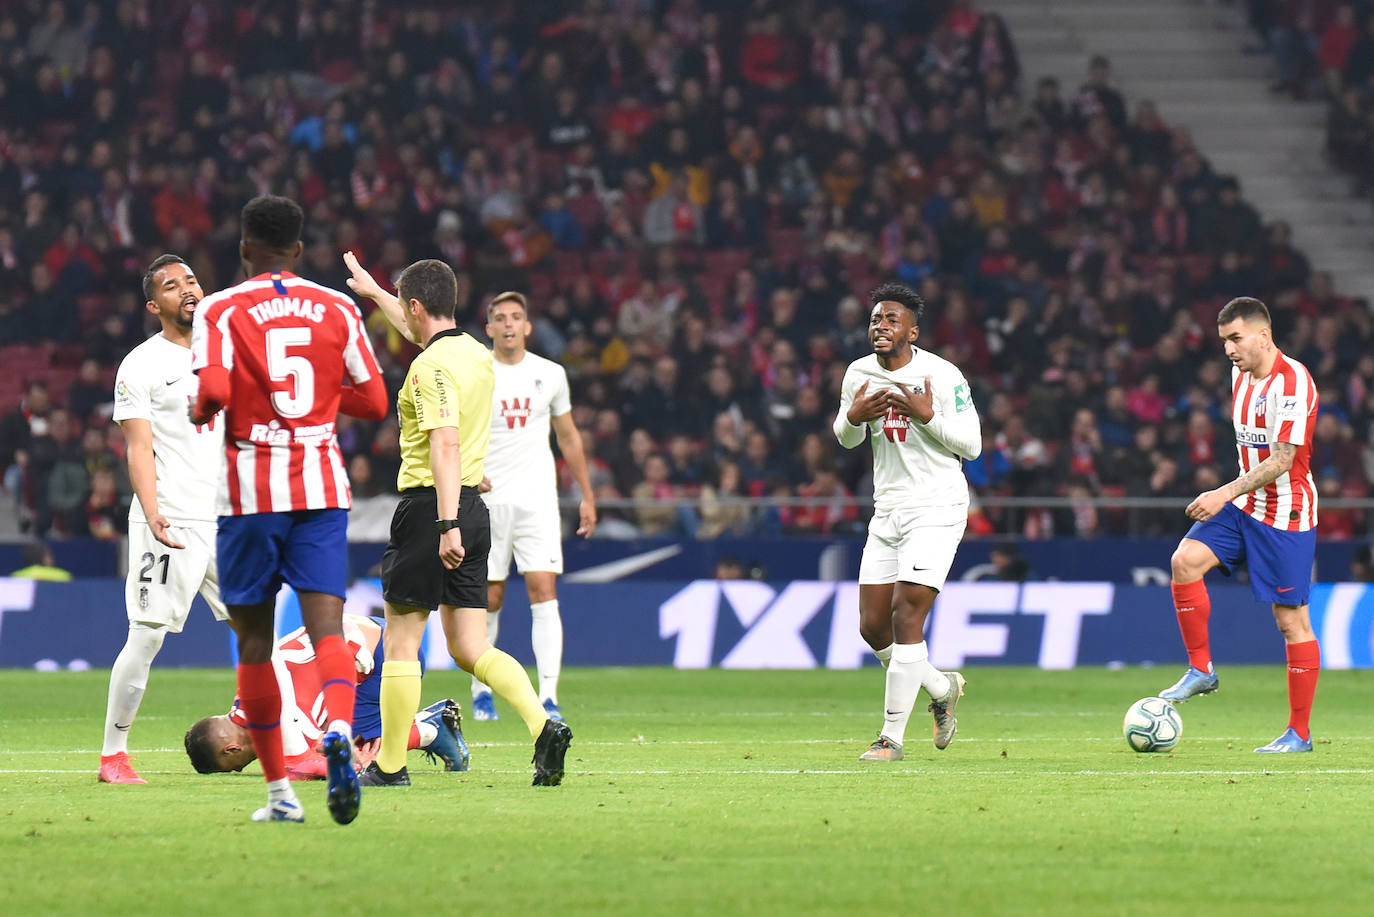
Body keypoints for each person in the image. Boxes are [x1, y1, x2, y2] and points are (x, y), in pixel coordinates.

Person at [190, 196, 390, 824]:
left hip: (251, 492)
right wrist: (321, 404)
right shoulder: (337, 306)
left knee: (253, 642)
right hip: (322, 488)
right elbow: (377, 400)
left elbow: (216, 391)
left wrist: (202, 411)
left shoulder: (219, 308)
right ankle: (336, 727)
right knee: (328, 629)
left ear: (245, 247)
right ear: (300, 250)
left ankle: (280, 794)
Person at [342, 251, 573, 788]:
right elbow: (421, 332)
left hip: (432, 510)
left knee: (401, 640)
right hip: (473, 504)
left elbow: (444, 442)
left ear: (416, 305)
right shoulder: (474, 354)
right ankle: (543, 724)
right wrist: (377, 293)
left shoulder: (429, 368)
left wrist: (445, 525)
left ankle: (392, 765)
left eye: (402, 305)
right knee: (472, 647)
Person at [1157, 296, 1322, 754]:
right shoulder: (1240, 375)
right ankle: (1201, 670)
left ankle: (1299, 734)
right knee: (1185, 561)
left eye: (1236, 339)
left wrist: (1221, 492)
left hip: (1285, 514)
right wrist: (1234, 494)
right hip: (1246, 504)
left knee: (1291, 622)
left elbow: (1284, 460)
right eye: (1224, 341)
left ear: (1263, 335)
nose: (1229, 350)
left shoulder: (1293, 383)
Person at [833, 282, 982, 762]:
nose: (881, 326)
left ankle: (890, 738)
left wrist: (926, 416)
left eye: (891, 320)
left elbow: (972, 446)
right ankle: (941, 688)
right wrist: (852, 418)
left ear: (912, 332)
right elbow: (846, 439)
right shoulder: (858, 374)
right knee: (872, 626)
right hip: (888, 509)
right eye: (876, 319)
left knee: (905, 616)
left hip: (937, 506)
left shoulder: (942, 375)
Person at [99, 254, 226, 786]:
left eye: (192, 279)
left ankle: (287, 741)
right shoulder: (140, 365)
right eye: (172, 287)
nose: (187, 290)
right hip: (170, 517)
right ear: (155, 306)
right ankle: (114, 754)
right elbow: (137, 448)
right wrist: (152, 513)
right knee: (148, 635)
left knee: (267, 629)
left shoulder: (226, 352)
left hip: (229, 519)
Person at [469, 291, 597, 723]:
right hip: (488, 500)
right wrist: (469, 471)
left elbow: (569, 436)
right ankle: (481, 691)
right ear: (489, 328)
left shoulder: (551, 374)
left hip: (538, 500)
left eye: (516, 317)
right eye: (500, 317)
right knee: (491, 595)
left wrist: (587, 494)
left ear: (527, 326)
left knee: (544, 590)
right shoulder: (477, 372)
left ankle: (548, 697)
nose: (508, 324)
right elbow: (458, 429)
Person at [184, 614, 469, 778]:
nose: (238, 771)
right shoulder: (248, 693)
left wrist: (353, 761)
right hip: (368, 629)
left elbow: (332, 764)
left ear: (231, 749)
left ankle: (431, 729)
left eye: (231, 768)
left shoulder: (293, 723)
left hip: (385, 652)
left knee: (359, 754)